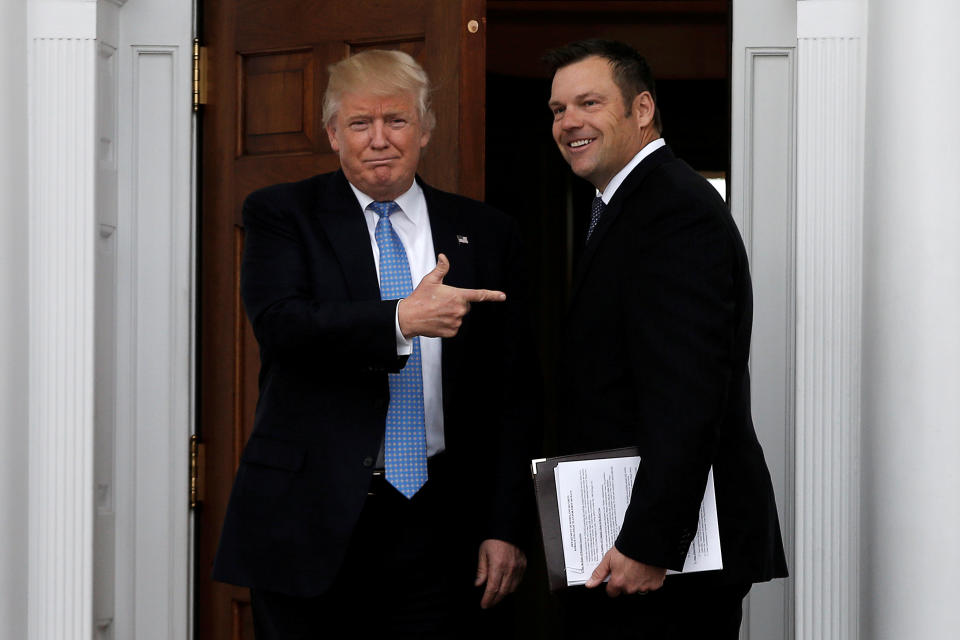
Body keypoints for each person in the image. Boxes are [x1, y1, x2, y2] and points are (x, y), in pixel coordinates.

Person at [212, 49, 539, 639]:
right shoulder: (284, 214)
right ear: (334, 134)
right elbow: (284, 326)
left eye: (396, 120)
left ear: (426, 129)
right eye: (360, 124)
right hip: (310, 516)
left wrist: (505, 524)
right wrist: (401, 319)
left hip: (443, 524)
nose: (379, 139)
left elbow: (512, 393)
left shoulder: (488, 232)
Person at [544, 39, 788, 637]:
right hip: (627, 545)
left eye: (589, 102)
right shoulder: (626, 204)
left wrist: (651, 542)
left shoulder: (672, 208)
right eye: (556, 109)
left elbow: (689, 392)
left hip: (659, 561)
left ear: (643, 108)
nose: (568, 121)